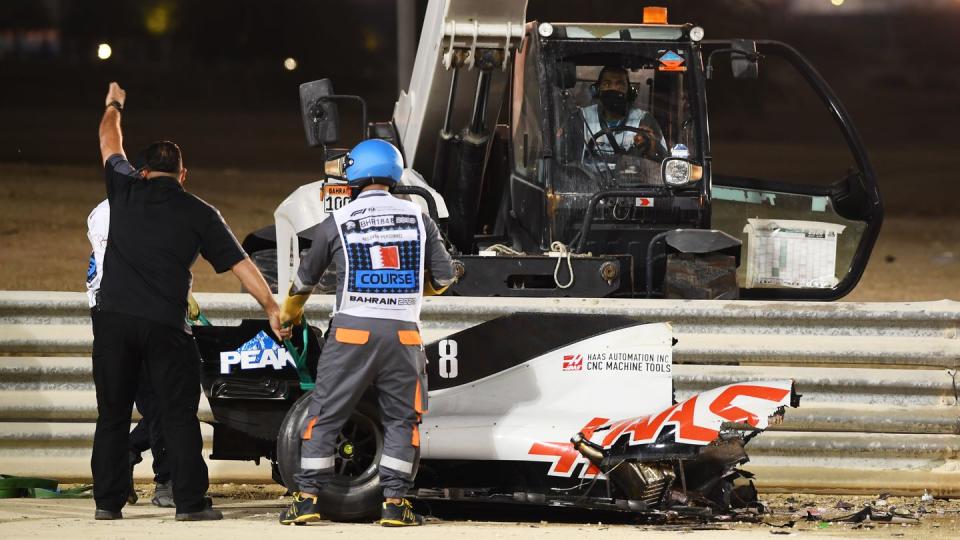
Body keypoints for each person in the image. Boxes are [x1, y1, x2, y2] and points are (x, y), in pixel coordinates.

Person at [92, 82, 284, 521]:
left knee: (112, 415)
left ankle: (107, 504)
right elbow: (240, 264)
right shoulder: (200, 211)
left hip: (114, 321)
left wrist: (114, 104)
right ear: (183, 175)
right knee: (178, 415)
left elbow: (108, 139)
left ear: (141, 171)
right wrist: (272, 307)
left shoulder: (123, 187)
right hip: (165, 325)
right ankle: (190, 504)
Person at [277, 139, 455, 527]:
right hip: (404, 336)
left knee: (324, 413)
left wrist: (288, 316)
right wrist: (404, 287)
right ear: (394, 173)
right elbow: (444, 279)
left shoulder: (337, 221)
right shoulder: (420, 219)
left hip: (352, 334)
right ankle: (394, 505)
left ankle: (306, 498)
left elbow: (302, 283)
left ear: (354, 175)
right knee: (402, 420)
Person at [86, 199, 174, 509]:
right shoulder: (127, 212)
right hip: (132, 313)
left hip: (112, 313)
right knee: (163, 401)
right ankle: (167, 480)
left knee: (141, 403)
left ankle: (120, 470)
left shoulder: (104, 211)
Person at [579, 65, 668, 163]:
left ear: (629, 92)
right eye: (607, 84)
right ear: (597, 90)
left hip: (631, 177)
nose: (613, 88)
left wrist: (652, 145)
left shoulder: (643, 119)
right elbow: (566, 159)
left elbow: (663, 161)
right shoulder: (582, 117)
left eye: (620, 84)